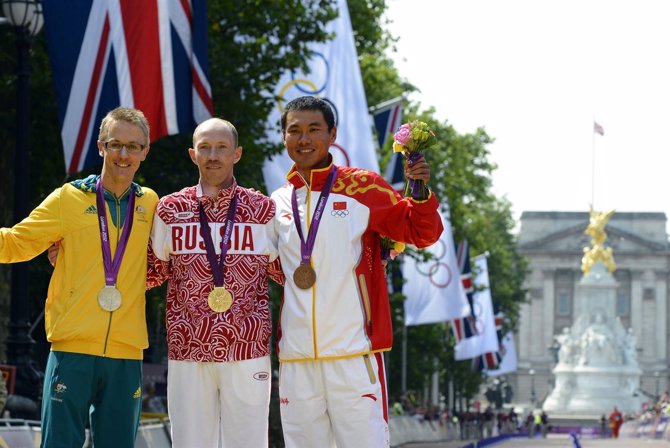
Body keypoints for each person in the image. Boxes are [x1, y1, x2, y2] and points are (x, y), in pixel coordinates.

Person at [271, 96, 444, 447]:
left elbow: (421, 233)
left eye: (314, 129)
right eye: (294, 131)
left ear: (332, 134)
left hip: (354, 355)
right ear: (284, 137)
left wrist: (419, 191)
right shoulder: (276, 202)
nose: (304, 139)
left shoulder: (363, 188)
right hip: (296, 358)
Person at [0, 107, 157, 447]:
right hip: (72, 348)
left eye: (133, 146)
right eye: (115, 144)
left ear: (145, 152)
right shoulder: (68, 199)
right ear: (101, 146)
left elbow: (168, 264)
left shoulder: (152, 205)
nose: (123, 154)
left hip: (126, 354)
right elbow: (16, 243)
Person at [147, 118, 282, 447]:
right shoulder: (169, 209)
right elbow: (147, 273)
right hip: (187, 348)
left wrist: (368, 255)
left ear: (237, 154)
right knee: (190, 442)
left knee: (247, 442)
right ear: (193, 155)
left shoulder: (263, 210)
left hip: (247, 348)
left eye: (221, 147)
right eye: (205, 147)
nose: (213, 155)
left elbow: (292, 273)